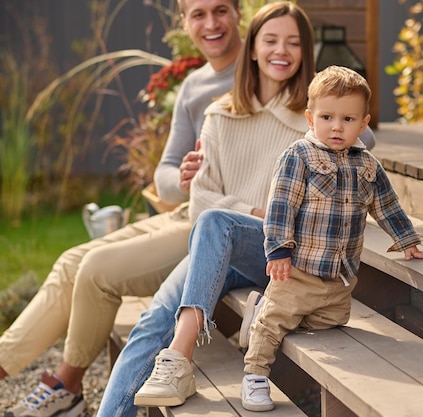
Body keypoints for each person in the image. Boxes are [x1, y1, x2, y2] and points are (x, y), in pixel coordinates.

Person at [0, 1, 243, 416]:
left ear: (239, 12)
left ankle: (67, 387)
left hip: (215, 225)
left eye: (220, 10)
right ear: (184, 22)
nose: (211, 23)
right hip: (183, 209)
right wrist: (183, 177)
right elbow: (164, 175)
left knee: (96, 270)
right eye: (197, 14)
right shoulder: (193, 84)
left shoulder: (262, 69)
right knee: (70, 261)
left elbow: (343, 124)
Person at [97, 2, 317, 415]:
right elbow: (200, 201)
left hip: (279, 253)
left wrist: (247, 219)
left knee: (219, 222)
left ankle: (181, 358)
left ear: (307, 51)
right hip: (224, 243)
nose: (281, 51)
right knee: (151, 323)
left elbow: (364, 138)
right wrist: (254, 212)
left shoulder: (313, 122)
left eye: (293, 42)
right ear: (252, 49)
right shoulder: (219, 114)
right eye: (270, 40)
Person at [238, 65, 423, 412]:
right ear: (310, 118)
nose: (337, 126)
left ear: (364, 123)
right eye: (327, 117)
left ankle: (261, 311)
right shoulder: (298, 157)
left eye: (348, 119)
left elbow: (386, 206)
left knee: (328, 322)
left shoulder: (368, 165)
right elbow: (281, 205)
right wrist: (279, 251)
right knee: (275, 323)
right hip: (298, 271)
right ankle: (255, 374)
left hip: (340, 277)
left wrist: (408, 241)